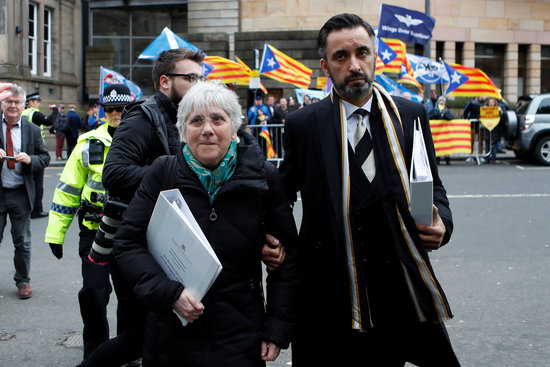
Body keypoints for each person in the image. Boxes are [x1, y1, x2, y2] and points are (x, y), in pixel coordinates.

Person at [279, 13, 459, 366]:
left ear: (375, 56)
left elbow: (432, 186)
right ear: (325, 66)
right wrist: (278, 242)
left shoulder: (409, 114)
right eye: (341, 57)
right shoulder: (303, 125)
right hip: (331, 291)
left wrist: (443, 225)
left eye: (362, 53)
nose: (354, 65)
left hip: (401, 285)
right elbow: (282, 195)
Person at [100, 48, 286, 366]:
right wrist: (172, 179)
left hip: (239, 332)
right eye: (196, 121)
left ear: (234, 125)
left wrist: (277, 326)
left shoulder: (261, 174)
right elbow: (117, 188)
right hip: (168, 309)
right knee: (132, 336)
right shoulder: (153, 142)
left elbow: (286, 262)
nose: (208, 129)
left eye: (217, 119)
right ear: (183, 130)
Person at [44, 85, 134, 366]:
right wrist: (55, 234)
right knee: (94, 292)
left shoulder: (144, 141)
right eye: (111, 110)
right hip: (95, 230)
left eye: (122, 109)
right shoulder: (87, 143)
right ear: (104, 111)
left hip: (133, 232)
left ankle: (129, 349)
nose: (117, 114)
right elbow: (68, 190)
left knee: (131, 296)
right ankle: (96, 351)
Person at [0, 84, 50, 299]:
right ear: (2, 104)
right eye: (8, 102)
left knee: (22, 240)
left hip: (21, 193)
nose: (13, 106)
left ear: (23, 105)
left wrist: (30, 159)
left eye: (17, 102)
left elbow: (45, 157)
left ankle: (23, 281)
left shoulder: (31, 129)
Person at [22, 92, 58, 218]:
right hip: (36, 152)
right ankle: (36, 210)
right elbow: (49, 121)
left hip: (24, 150)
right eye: (37, 101)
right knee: (37, 183)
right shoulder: (34, 113)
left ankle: (25, 207)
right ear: (31, 102)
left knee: (25, 181)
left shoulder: (23, 113)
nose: (38, 103)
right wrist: (55, 110)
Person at [429, 96, 454, 165]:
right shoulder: (434, 110)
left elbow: (451, 118)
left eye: (443, 101)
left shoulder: (447, 110)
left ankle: (447, 159)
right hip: (437, 132)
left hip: (445, 133)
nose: (441, 102)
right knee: (437, 145)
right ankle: (437, 159)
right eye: (440, 101)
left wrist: (445, 114)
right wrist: (435, 115)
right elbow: (428, 117)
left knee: (446, 145)